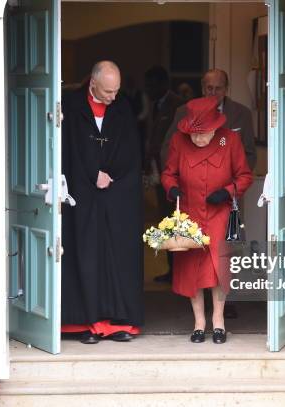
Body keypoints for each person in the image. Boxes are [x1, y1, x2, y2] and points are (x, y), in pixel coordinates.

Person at [60, 61, 144, 344]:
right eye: (108, 91)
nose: (112, 97)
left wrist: (112, 175)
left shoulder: (122, 107)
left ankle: (118, 322)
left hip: (116, 197)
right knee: (84, 256)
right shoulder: (71, 106)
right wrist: (90, 175)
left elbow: (132, 150)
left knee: (117, 258)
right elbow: (66, 150)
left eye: (117, 91)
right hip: (81, 196)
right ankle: (86, 323)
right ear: (92, 84)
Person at [161, 96, 253, 344]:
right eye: (194, 134)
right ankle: (199, 322)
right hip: (190, 214)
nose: (198, 139)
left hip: (219, 214)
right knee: (193, 269)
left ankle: (219, 321)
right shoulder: (180, 141)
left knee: (218, 268)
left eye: (203, 134)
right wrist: (172, 188)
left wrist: (228, 190)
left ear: (215, 128)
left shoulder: (228, 139)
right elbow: (168, 173)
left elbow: (244, 176)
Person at [161, 69, 257, 170]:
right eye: (210, 88)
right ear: (203, 89)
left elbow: (249, 154)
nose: (213, 93)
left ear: (226, 90)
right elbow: (168, 148)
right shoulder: (184, 112)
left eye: (218, 88)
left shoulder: (242, 114)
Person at [143, 66, 185, 283]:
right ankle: (172, 270)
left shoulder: (177, 104)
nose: (146, 89)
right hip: (159, 171)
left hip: (174, 175)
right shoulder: (154, 105)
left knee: (176, 221)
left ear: (161, 84)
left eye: (150, 84)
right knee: (166, 222)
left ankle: (180, 272)